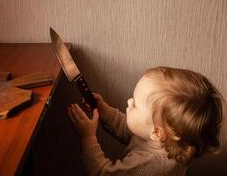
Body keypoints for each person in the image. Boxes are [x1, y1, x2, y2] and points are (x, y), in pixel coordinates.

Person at [67, 66, 224, 176]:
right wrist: (104, 111)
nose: (129, 102)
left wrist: (88, 138)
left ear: (156, 132)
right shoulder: (167, 138)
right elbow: (128, 128)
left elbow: (102, 173)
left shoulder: (150, 166)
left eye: (135, 104)